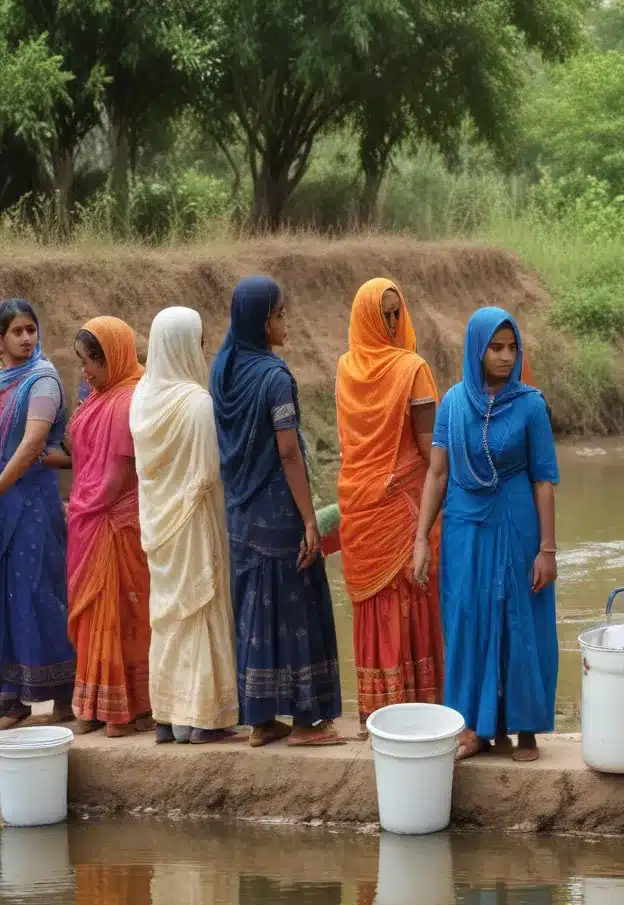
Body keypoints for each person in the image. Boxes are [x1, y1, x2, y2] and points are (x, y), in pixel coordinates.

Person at [414, 307, 559, 762]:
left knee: (519, 617)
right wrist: (421, 538)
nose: (505, 356)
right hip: (463, 527)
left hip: (516, 524)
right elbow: (437, 474)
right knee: (466, 619)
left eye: (512, 347)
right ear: (477, 350)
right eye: (495, 348)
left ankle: (526, 728)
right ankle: (473, 726)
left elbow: (543, 480)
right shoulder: (453, 403)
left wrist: (547, 549)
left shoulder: (531, 404)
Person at [210, 276, 344, 747]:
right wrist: (310, 519)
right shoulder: (275, 378)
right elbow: (288, 452)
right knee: (298, 603)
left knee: (253, 607)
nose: (286, 321)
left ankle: (261, 720)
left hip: (240, 511)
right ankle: (307, 723)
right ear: (262, 320)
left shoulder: (223, 369)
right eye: (281, 313)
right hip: (278, 508)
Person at [335, 279, 444, 735]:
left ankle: (381, 715)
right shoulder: (411, 369)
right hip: (397, 506)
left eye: (398, 313)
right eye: (385, 315)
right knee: (400, 602)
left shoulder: (347, 367)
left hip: (365, 503)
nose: (394, 323)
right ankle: (409, 711)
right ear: (367, 318)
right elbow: (431, 449)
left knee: (396, 604)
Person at [129, 307, 239, 745]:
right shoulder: (197, 404)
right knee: (201, 607)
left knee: (169, 614)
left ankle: (167, 716)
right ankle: (201, 717)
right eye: (197, 342)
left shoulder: (141, 399)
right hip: (194, 523)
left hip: (157, 523)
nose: (203, 350)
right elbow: (213, 471)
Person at [66, 317, 152, 737]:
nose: (85, 372)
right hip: (91, 518)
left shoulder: (129, 398)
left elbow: (118, 473)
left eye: (90, 363)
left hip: (116, 521)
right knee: (96, 615)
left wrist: (81, 506)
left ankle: (125, 709)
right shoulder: (101, 396)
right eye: (82, 362)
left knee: (123, 613)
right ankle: (93, 708)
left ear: (112, 358)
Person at [0, 299, 76, 729]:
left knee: (38, 595)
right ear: (1, 340)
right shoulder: (2, 380)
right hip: (5, 504)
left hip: (31, 505)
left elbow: (32, 446)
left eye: (31, 329)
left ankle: (63, 696)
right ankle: (14, 699)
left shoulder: (41, 380)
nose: (27, 338)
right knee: (5, 598)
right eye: (17, 331)